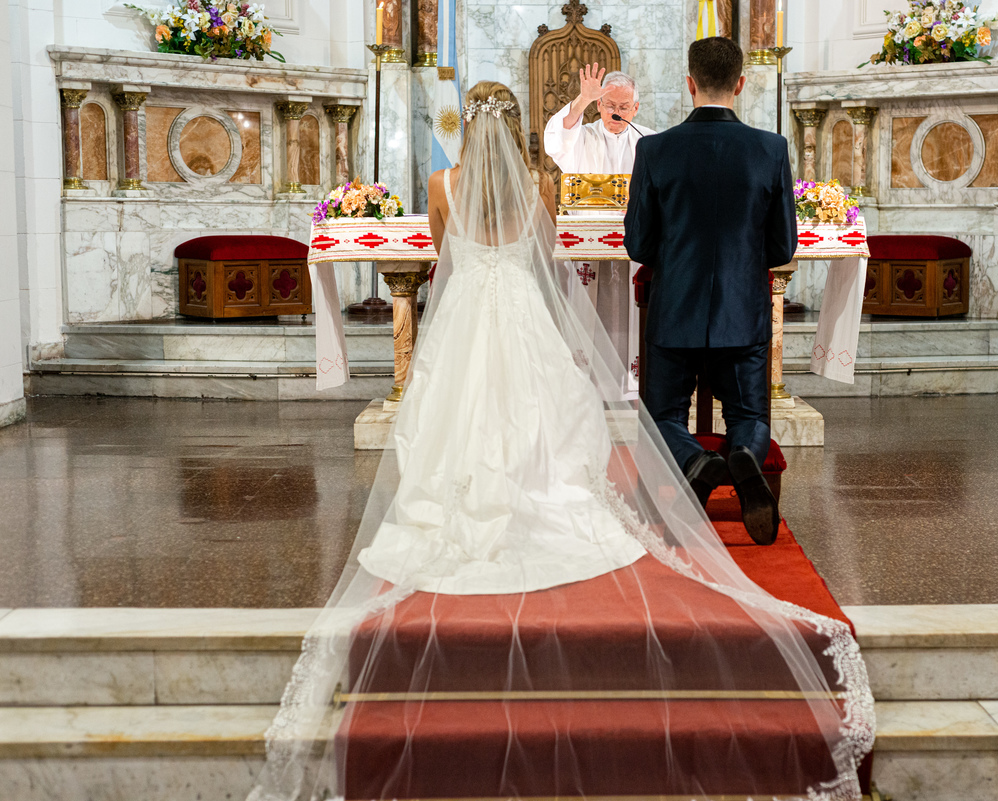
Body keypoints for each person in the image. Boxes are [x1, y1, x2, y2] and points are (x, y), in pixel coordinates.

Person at [249, 80, 870, 801]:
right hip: (525, 315)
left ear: (468, 126)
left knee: (458, 414)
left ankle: (470, 491)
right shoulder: (538, 186)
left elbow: (446, 255)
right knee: (543, 409)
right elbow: (542, 259)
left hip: (466, 318)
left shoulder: (443, 185)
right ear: (516, 126)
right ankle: (638, 468)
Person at [625, 37, 798, 546]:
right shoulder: (770, 149)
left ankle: (698, 461)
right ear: (740, 84)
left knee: (662, 419)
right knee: (750, 415)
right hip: (742, 312)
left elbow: (639, 243)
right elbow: (783, 245)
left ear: (689, 83)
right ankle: (741, 456)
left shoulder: (654, 149)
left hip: (674, 310)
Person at [544, 65, 655, 398]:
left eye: (624, 107)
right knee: (587, 314)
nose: (616, 113)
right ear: (599, 105)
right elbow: (555, 140)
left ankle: (632, 386)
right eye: (609, 105)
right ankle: (587, 386)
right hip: (588, 245)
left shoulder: (650, 141)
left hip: (634, 246)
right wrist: (581, 100)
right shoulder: (583, 135)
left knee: (632, 316)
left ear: (636, 108)